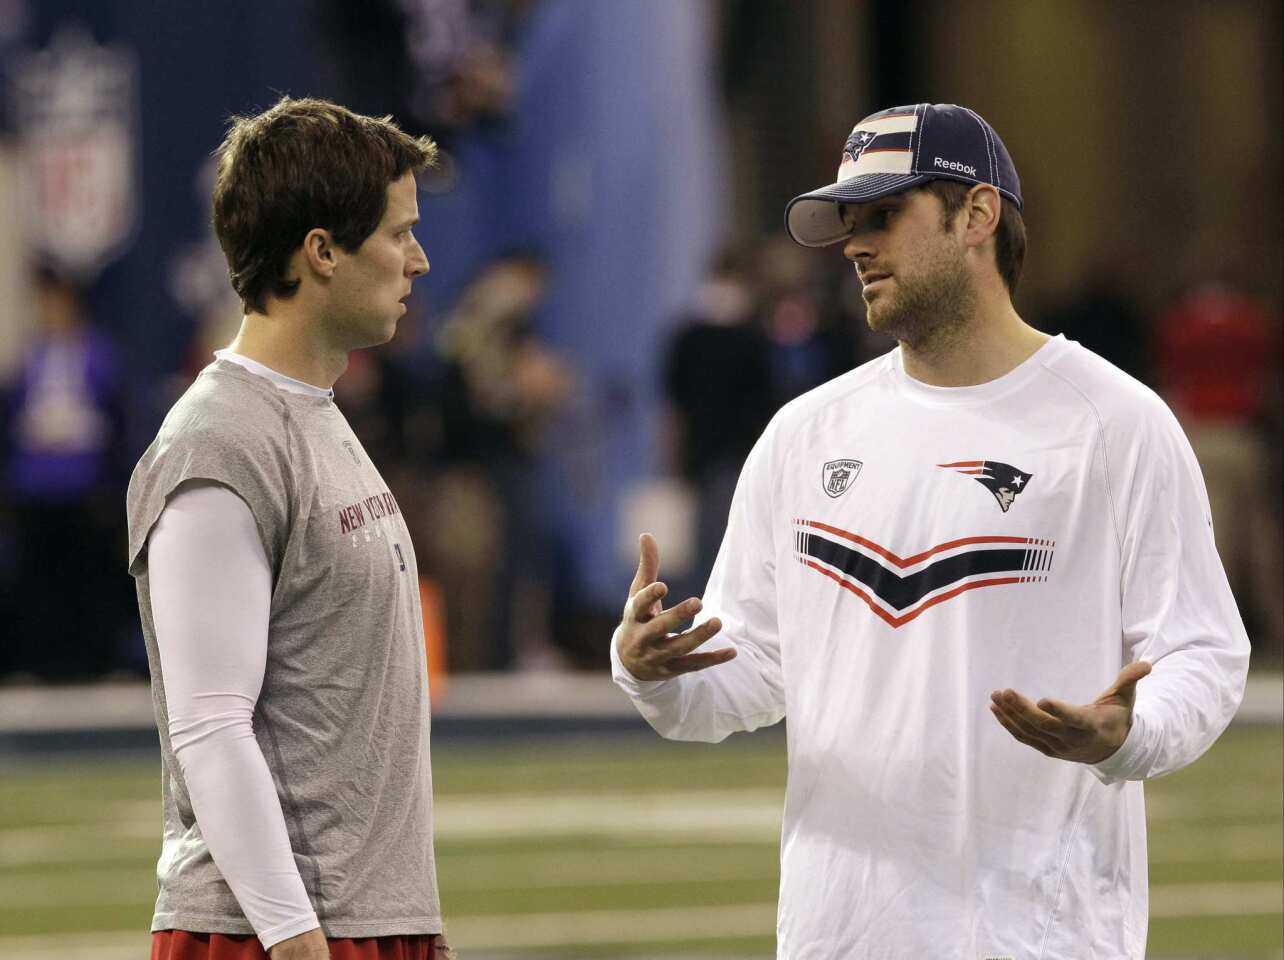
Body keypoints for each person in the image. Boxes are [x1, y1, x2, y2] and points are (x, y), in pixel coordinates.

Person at [611, 103, 1250, 959]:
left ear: (978, 215)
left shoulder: (1115, 422)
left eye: (884, 215)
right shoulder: (806, 435)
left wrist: (1129, 735)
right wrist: (651, 671)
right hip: (840, 933)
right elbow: (750, 676)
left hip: (1044, 935)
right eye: (848, 223)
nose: (854, 245)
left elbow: (1201, 653)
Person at [126, 97, 449, 960]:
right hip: (268, 933)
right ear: (321, 252)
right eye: (397, 234)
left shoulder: (316, 412)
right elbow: (210, 724)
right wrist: (296, 939)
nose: (418, 259)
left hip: (360, 918)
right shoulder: (218, 439)